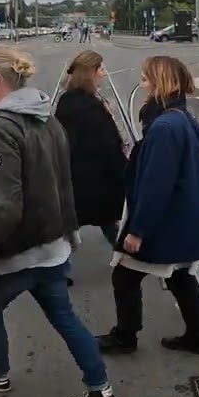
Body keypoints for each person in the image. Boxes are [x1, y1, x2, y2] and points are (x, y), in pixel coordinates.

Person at [0, 45, 121, 397]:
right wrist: (67, 233)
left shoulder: (0, 128)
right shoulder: (47, 116)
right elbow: (63, 183)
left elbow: (2, 207)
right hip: (51, 246)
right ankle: (100, 390)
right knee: (66, 318)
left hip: (15, 254)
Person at [97, 55, 199, 356]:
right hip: (185, 217)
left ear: (161, 82)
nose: (142, 83)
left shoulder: (164, 127)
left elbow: (156, 184)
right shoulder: (182, 117)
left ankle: (126, 335)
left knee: (124, 275)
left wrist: (138, 230)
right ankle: (198, 335)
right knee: (179, 274)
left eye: (146, 78)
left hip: (167, 221)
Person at [54, 50, 127, 248]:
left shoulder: (65, 101)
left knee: (70, 224)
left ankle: (60, 264)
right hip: (98, 179)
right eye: (101, 69)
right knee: (107, 219)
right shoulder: (93, 109)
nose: (104, 72)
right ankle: (125, 255)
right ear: (91, 73)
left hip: (72, 177)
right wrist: (125, 172)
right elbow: (109, 145)